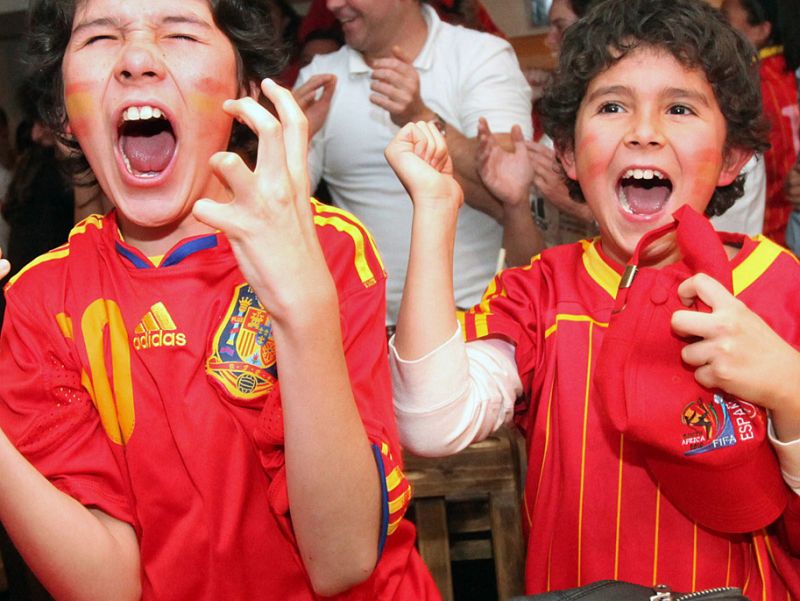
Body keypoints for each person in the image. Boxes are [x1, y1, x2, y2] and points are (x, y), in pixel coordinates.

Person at [0, 1, 438, 600]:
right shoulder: (40, 303)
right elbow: (108, 586)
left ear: (246, 91)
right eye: (100, 36)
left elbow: (343, 558)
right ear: (63, 112)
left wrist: (301, 308)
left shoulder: (329, 249)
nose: (135, 59)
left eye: (179, 32)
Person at [386, 0, 800, 596]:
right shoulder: (542, 291)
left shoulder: (780, 286)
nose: (643, 131)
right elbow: (432, 422)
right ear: (567, 155)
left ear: (734, 157)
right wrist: (434, 211)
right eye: (612, 106)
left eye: (679, 108)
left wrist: (787, 387)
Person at [294, 0, 535, 325]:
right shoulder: (320, 76)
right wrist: (292, 142)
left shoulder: (481, 56)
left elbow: (508, 196)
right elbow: (287, 210)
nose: (334, 5)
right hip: (364, 327)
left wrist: (420, 117)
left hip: (476, 318)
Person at [721, 0, 799, 247]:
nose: (717, 30)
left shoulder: (746, 90)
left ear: (762, 31)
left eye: (725, 21)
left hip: (767, 235)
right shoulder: (789, 77)